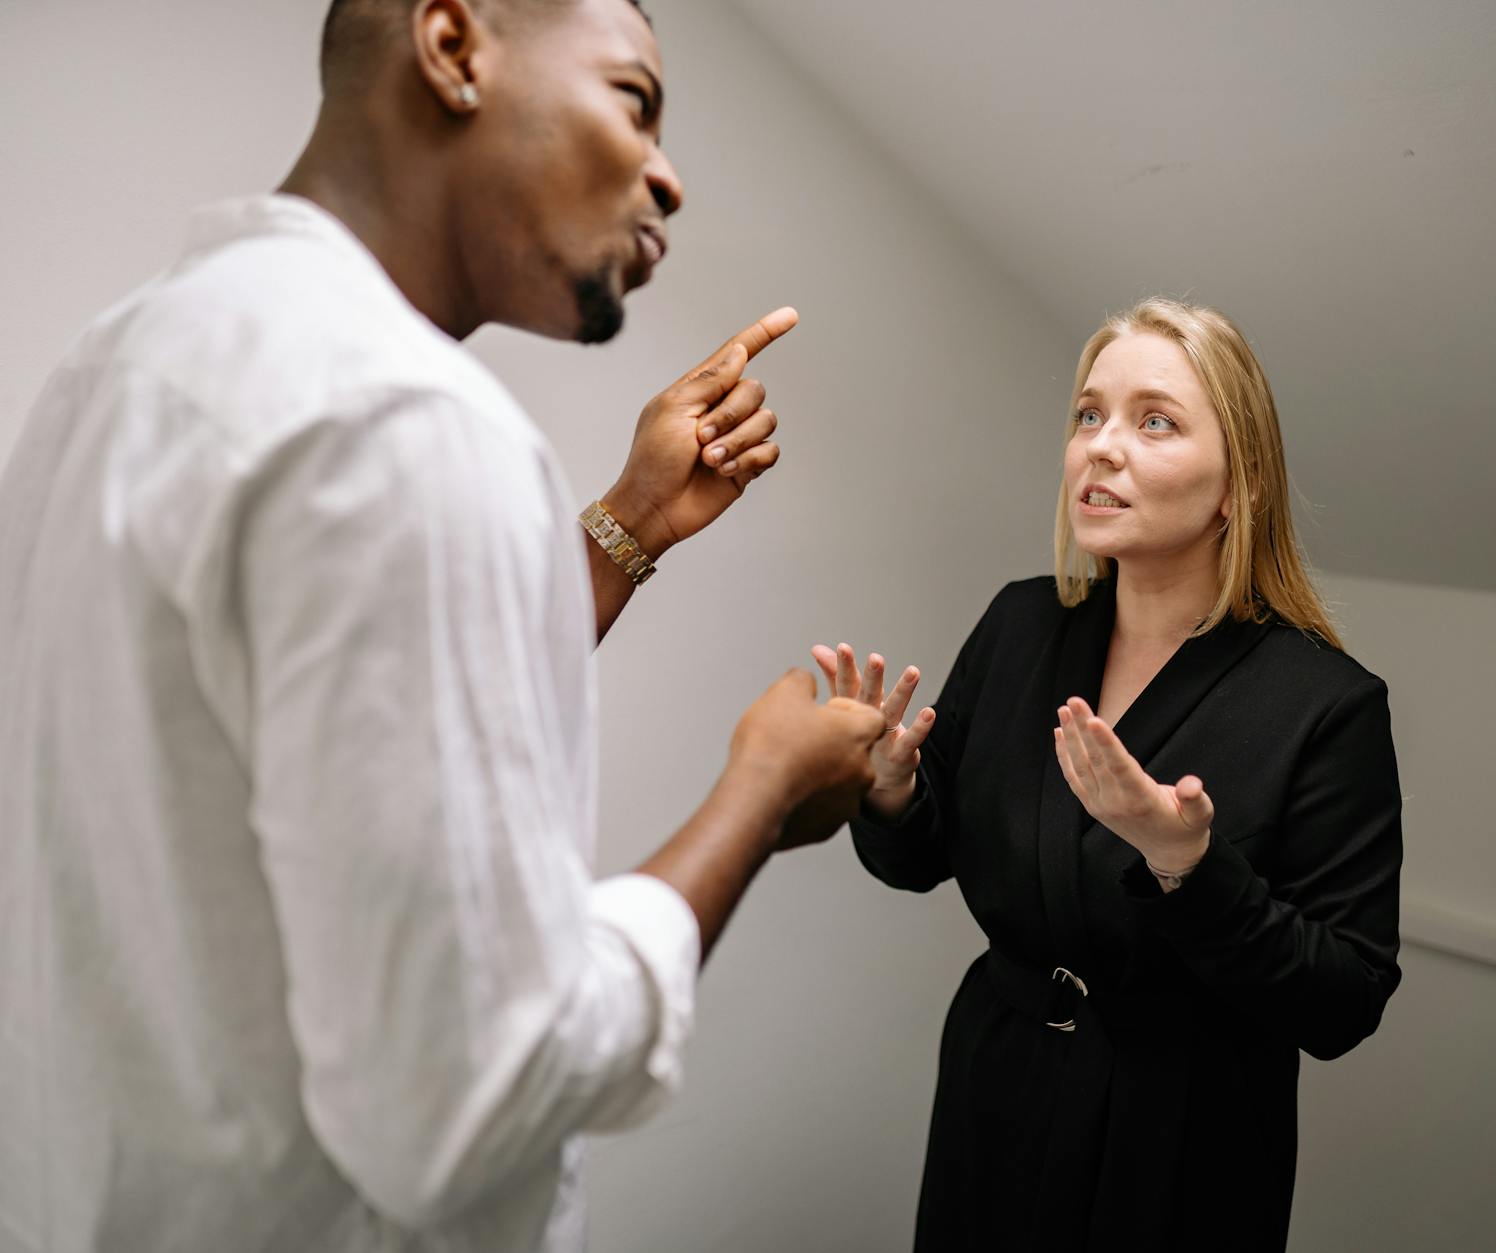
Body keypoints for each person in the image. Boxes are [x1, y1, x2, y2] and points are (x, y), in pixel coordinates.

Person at [0, 0, 883, 1249]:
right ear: (454, 45)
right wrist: (761, 791)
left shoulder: (117, 368)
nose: (668, 176)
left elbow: (332, 731)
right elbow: (468, 1096)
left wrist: (630, 521)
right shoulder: (406, 422)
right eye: (635, 99)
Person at [818, 297, 1405, 1251]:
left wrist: (1186, 863)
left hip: (1181, 1143)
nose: (1102, 446)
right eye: (1089, 414)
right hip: (996, 1087)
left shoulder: (1325, 704)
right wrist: (887, 788)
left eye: (1154, 420)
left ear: (1235, 484)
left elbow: (1343, 1003)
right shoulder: (1020, 623)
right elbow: (922, 857)